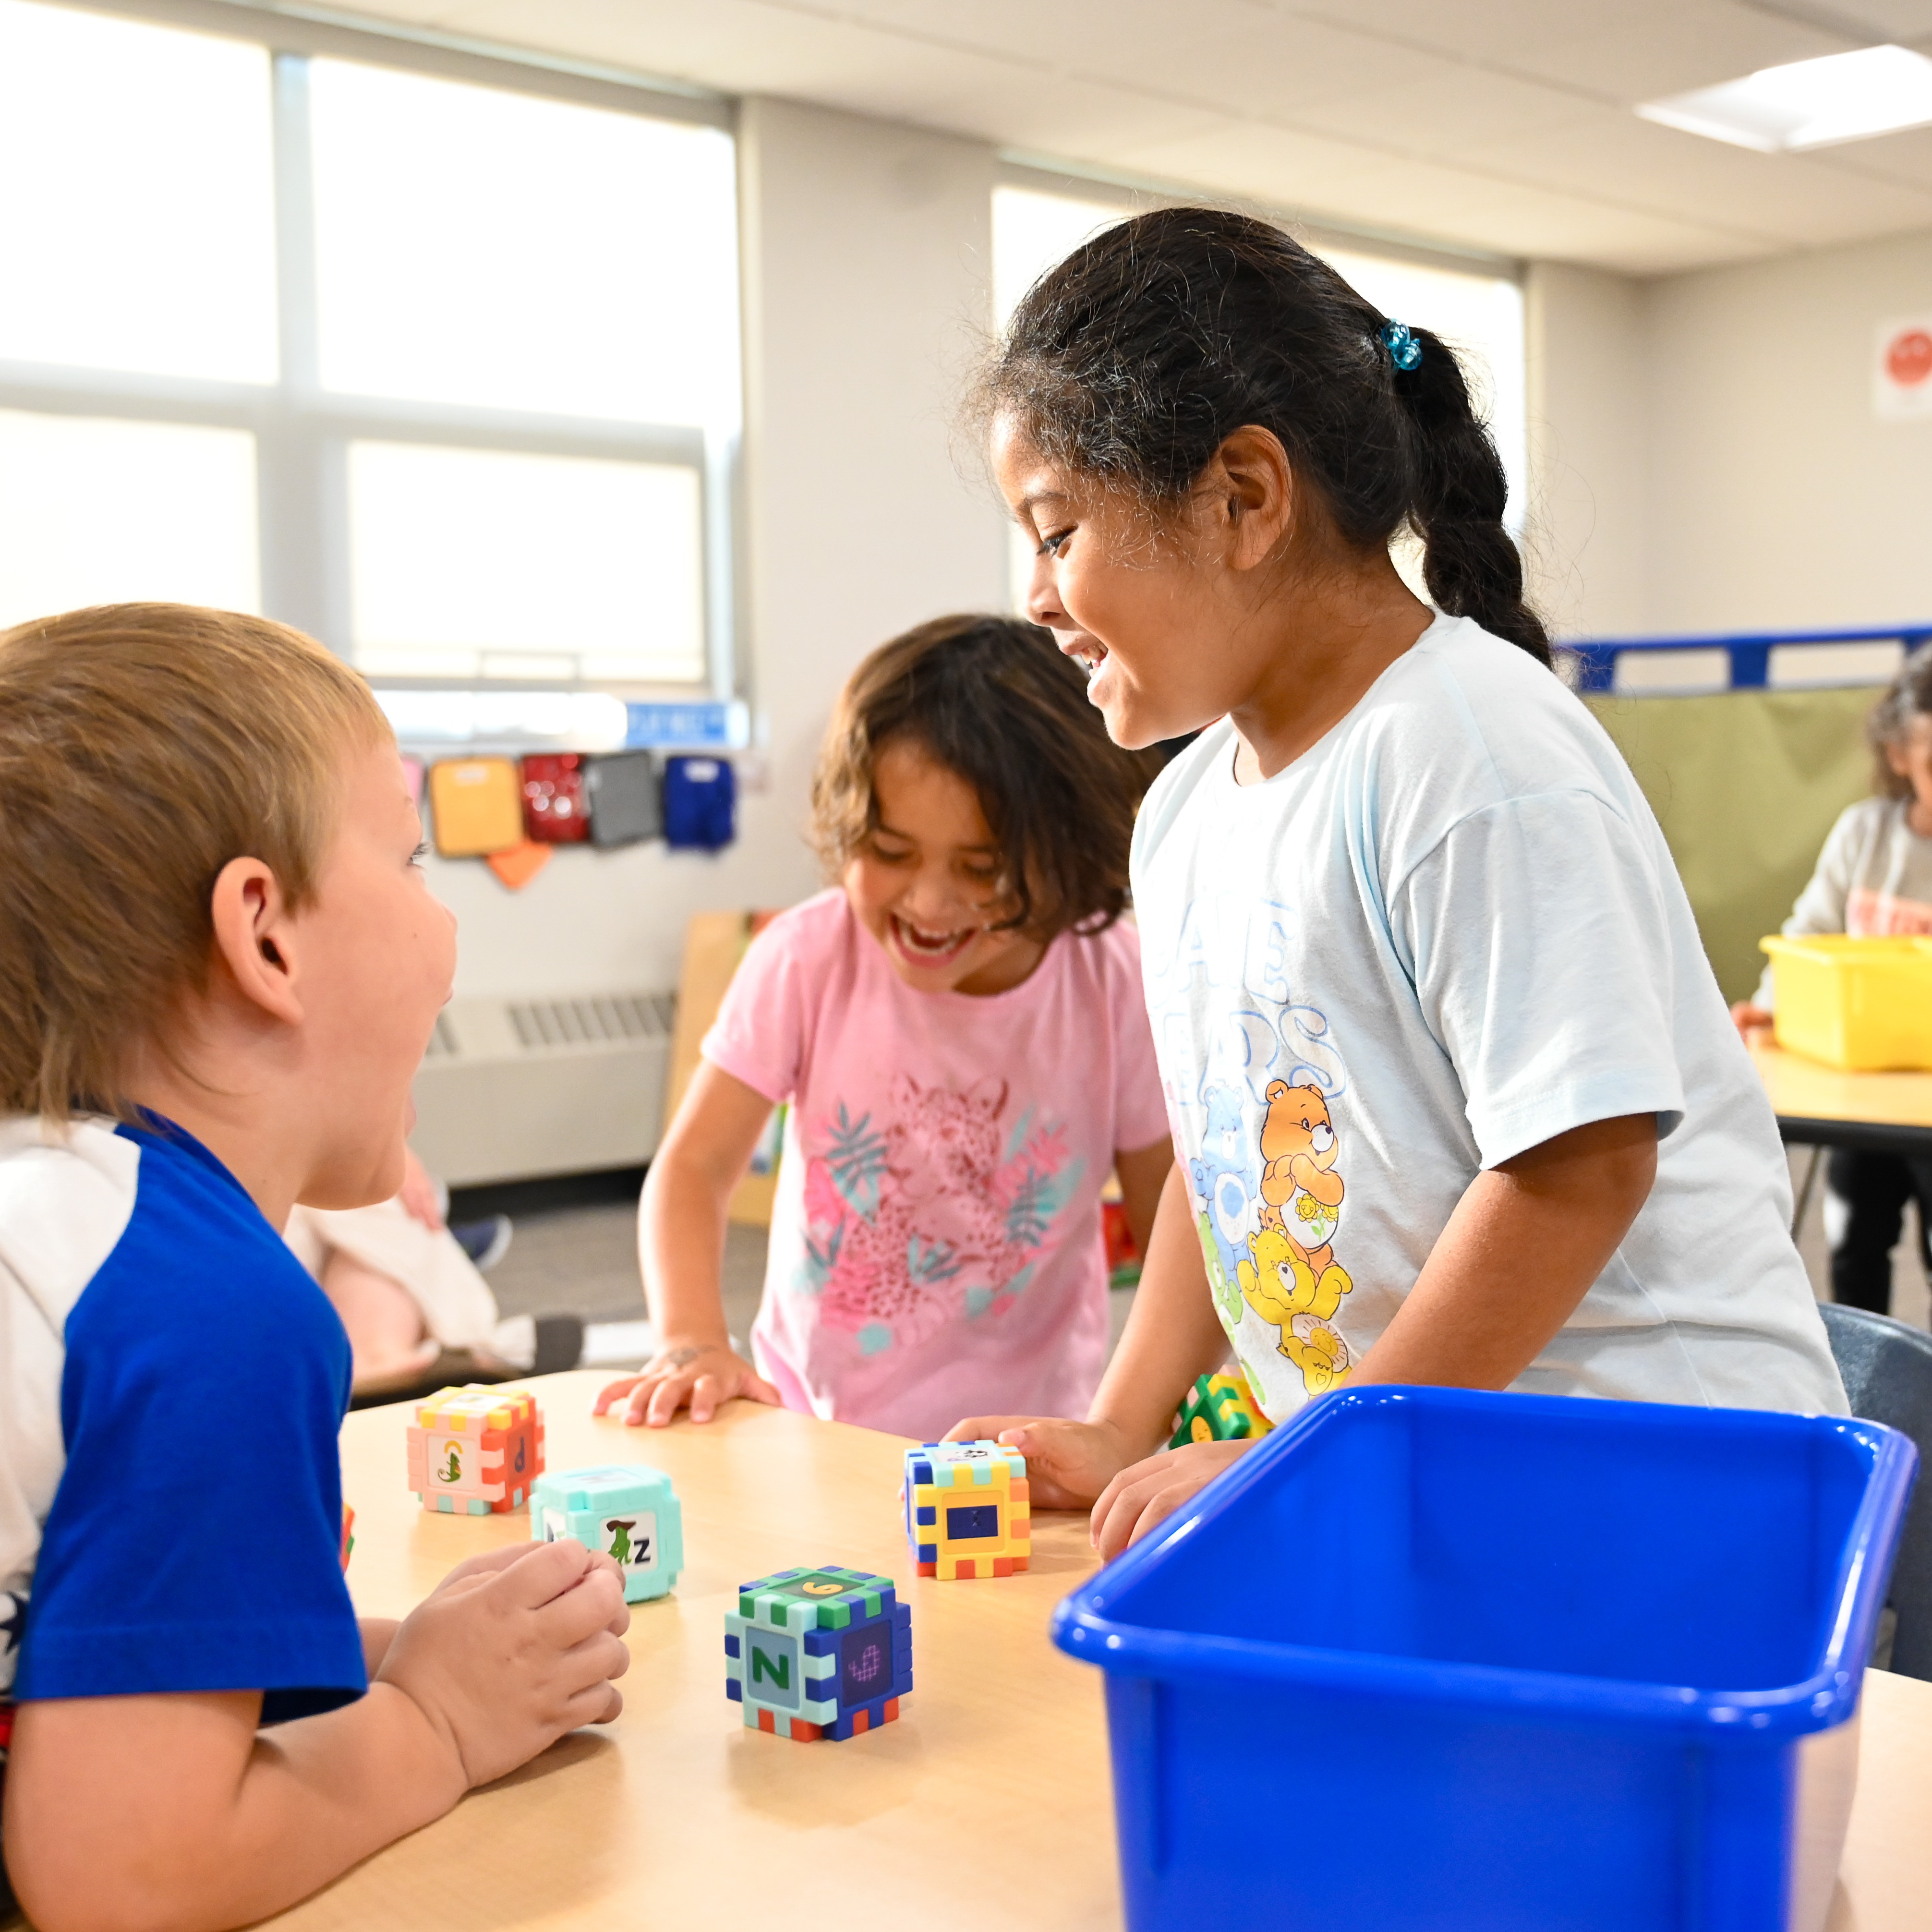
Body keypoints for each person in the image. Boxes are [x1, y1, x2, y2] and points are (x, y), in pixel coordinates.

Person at [950, 206, 1845, 1558]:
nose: (1034, 592)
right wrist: (1125, 1422)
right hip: (1428, 1479)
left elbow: (1579, 1169)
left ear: (1243, 498)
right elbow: (1229, 1143)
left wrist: (1323, 1455)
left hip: (1659, 1494)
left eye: (1059, 527)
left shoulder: (1470, 748)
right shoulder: (1189, 809)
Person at [0, 605, 629, 1932]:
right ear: (266, 936)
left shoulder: (58, 1224)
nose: (446, 933)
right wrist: (438, 1724)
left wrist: (381, 1653)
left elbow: (68, 1646)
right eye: (408, 860)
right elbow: (125, 1873)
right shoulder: (204, 1306)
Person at [594, 614, 1174, 1441]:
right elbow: (694, 1167)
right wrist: (692, 1341)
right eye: (892, 852)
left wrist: (1152, 1411)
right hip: (814, 1428)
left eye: (982, 871)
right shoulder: (806, 957)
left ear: (1075, 855)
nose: (930, 905)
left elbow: (1172, 1227)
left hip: (1035, 1441)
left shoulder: (1116, 981)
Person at [1732, 645, 1932, 1313]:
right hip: (1861, 1092)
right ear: (1901, 755)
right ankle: (1861, 1374)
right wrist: (1770, 1007)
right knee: (1854, 1239)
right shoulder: (1865, 834)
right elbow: (1808, 934)